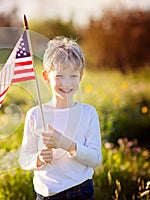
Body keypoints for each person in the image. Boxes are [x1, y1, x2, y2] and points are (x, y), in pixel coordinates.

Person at [19, 36, 102, 200]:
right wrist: (39, 159)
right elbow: (24, 159)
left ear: (81, 76)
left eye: (73, 76)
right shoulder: (35, 115)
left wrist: (65, 144)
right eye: (59, 76)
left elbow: (95, 159)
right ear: (46, 77)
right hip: (45, 194)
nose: (67, 83)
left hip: (79, 191)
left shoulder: (88, 113)